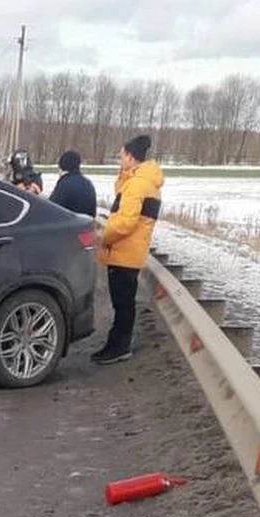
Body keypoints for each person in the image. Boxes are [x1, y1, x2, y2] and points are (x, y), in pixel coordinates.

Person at [92, 134, 164, 365]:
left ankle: (119, 346)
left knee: (122, 304)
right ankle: (117, 344)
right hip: (132, 252)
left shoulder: (135, 186)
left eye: (121, 156)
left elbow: (125, 222)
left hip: (124, 252)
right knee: (125, 303)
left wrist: (104, 237)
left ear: (132, 158)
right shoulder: (145, 183)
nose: (119, 160)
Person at [49, 149, 97, 217]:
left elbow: (51, 208)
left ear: (61, 166)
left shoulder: (64, 184)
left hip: (70, 225)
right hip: (87, 223)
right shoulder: (88, 183)